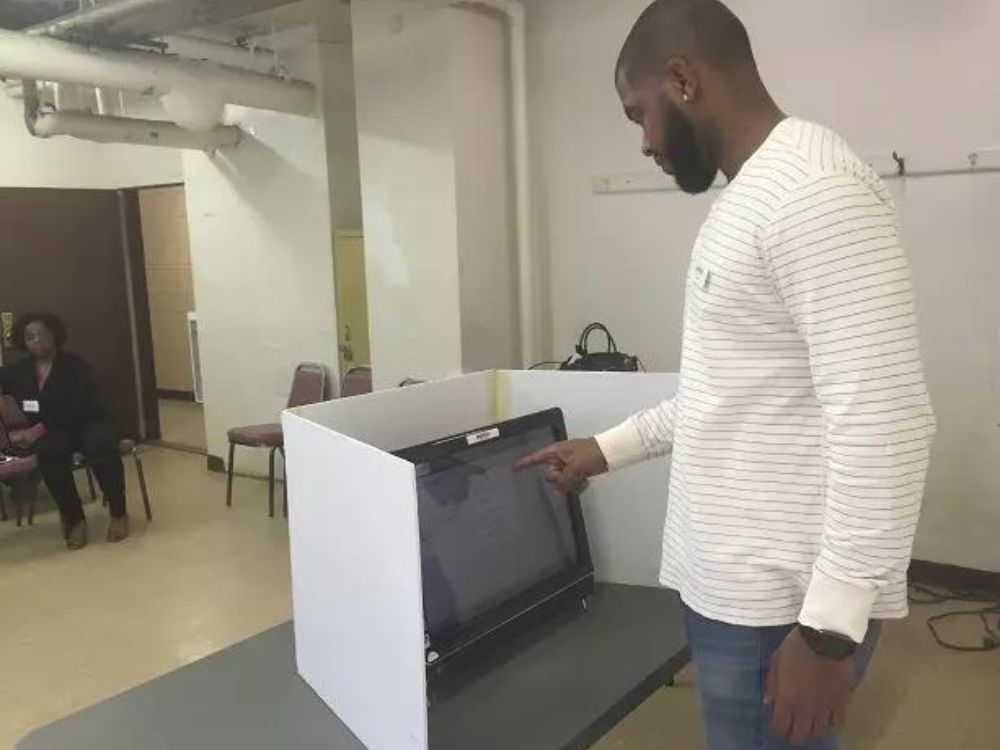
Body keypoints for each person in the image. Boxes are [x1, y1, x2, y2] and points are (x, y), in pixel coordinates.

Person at [517, 2, 935, 748]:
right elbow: (725, 396)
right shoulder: (753, 196)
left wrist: (830, 633)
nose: (644, 142)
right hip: (740, 595)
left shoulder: (814, 192)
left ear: (683, 80)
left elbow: (886, 420)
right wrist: (605, 449)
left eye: (639, 114)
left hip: (782, 612)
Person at [0, 313, 129, 549]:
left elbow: (78, 406)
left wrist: (39, 428)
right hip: (55, 431)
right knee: (48, 450)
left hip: (88, 422)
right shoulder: (18, 371)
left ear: (54, 335)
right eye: (30, 336)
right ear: (23, 342)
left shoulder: (75, 366)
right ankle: (74, 518)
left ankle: (118, 512)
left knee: (99, 445)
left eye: (42, 334)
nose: (37, 340)